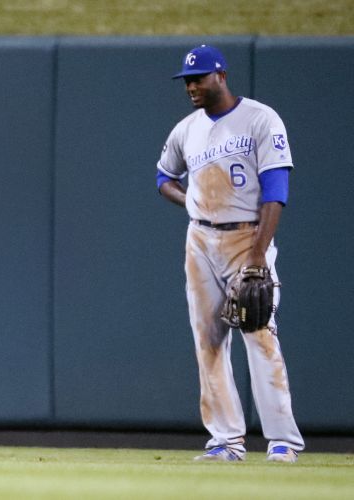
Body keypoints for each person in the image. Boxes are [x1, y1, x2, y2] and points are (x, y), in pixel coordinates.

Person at [156, 45, 304, 462]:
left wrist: (258, 255)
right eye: (187, 80)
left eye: (198, 78)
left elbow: (276, 191)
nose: (191, 86)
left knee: (259, 333)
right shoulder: (186, 130)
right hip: (200, 241)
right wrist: (189, 201)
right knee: (208, 339)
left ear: (220, 75)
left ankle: (281, 441)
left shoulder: (260, 119)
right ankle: (225, 441)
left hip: (247, 237)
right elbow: (163, 177)